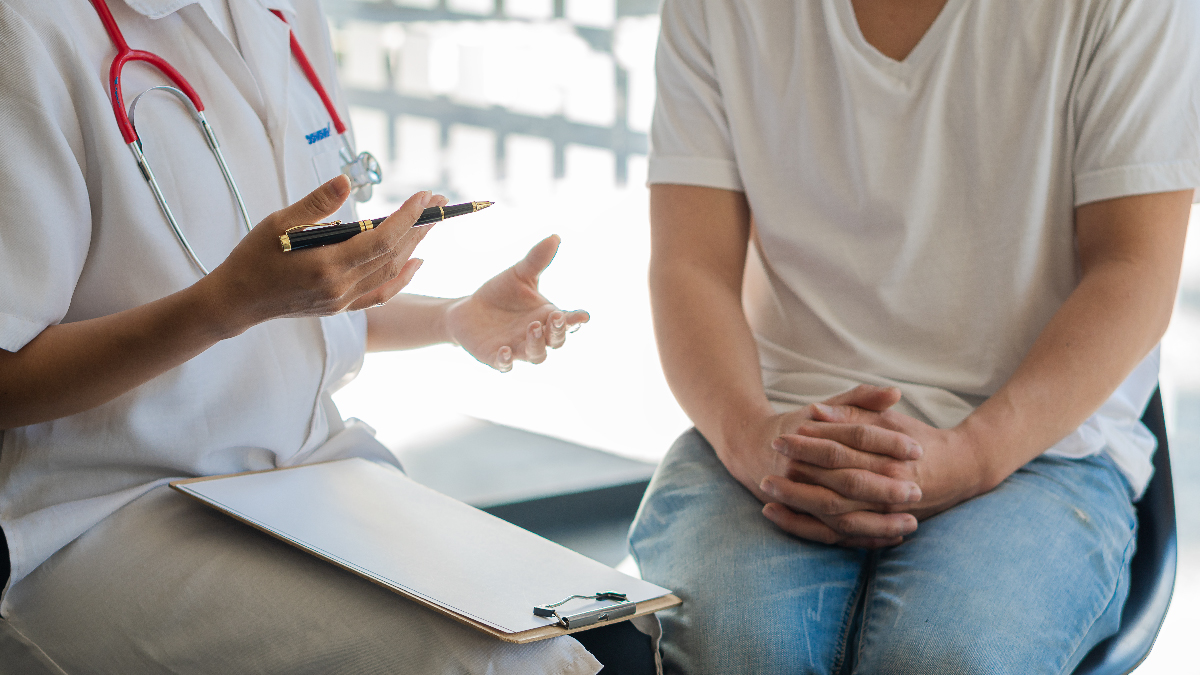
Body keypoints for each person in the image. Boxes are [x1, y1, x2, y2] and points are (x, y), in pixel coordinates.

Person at [0, 0, 656, 672]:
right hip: (113, 513)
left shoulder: (281, 14)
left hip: (312, 479)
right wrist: (226, 303)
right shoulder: (29, 28)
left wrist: (451, 317)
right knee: (512, 666)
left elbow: (291, 297)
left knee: (616, 640)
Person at [629, 0, 1199, 673]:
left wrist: (975, 452)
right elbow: (691, 263)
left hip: (1038, 449)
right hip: (780, 431)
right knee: (740, 648)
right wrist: (750, 436)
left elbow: (1134, 269)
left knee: (943, 658)